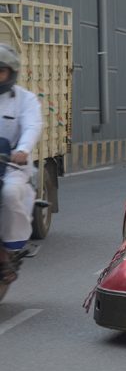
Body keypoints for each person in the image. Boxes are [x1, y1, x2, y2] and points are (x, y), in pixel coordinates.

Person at [0, 43, 42, 267]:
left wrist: (23, 150)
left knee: (8, 193)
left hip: (10, 167)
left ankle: (10, 247)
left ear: (11, 72)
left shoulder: (26, 100)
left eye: (0, 71)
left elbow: (32, 126)